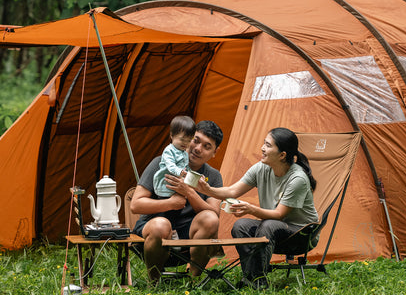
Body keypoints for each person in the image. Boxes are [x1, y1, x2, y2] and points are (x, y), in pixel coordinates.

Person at [192, 127, 317, 290]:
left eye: (267, 145)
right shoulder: (262, 168)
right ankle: (251, 277)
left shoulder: (297, 179)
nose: (262, 148)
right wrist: (207, 189)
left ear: (282, 155)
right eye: (264, 143)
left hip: (301, 234)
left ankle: (258, 280)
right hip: (273, 229)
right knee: (240, 225)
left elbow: (279, 215)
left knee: (268, 224)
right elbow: (232, 191)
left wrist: (250, 208)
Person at [130, 120, 224, 284]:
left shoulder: (213, 176)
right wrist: (171, 203)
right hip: (154, 230)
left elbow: (214, 214)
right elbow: (135, 205)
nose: (197, 148)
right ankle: (155, 283)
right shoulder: (161, 163)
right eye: (195, 140)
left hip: (189, 236)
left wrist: (188, 191)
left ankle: (194, 282)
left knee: (210, 218)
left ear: (215, 152)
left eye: (207, 146)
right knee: (161, 225)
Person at [153, 115, 196, 198]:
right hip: (165, 186)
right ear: (172, 135)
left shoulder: (184, 153)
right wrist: (180, 172)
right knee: (167, 206)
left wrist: (194, 176)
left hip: (177, 187)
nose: (185, 143)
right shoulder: (169, 151)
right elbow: (171, 166)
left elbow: (186, 168)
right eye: (182, 140)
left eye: (189, 140)